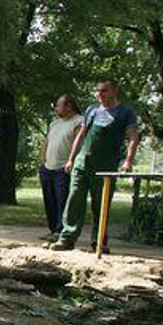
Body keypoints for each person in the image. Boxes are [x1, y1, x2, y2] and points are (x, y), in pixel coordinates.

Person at [50, 80, 140, 253]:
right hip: (82, 163)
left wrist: (128, 160)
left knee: (101, 204)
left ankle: (99, 242)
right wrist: (71, 158)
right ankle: (67, 238)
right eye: (98, 91)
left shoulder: (125, 112)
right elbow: (81, 135)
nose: (100, 95)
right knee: (74, 200)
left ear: (115, 90)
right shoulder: (92, 110)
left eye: (104, 91)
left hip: (105, 167)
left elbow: (133, 137)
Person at [38, 94, 83, 241]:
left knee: (62, 200)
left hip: (63, 168)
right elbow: (47, 142)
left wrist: (71, 162)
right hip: (47, 167)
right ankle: (53, 230)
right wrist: (42, 161)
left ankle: (61, 230)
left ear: (69, 106)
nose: (56, 108)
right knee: (49, 201)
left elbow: (79, 144)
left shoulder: (79, 121)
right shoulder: (54, 123)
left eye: (58, 105)